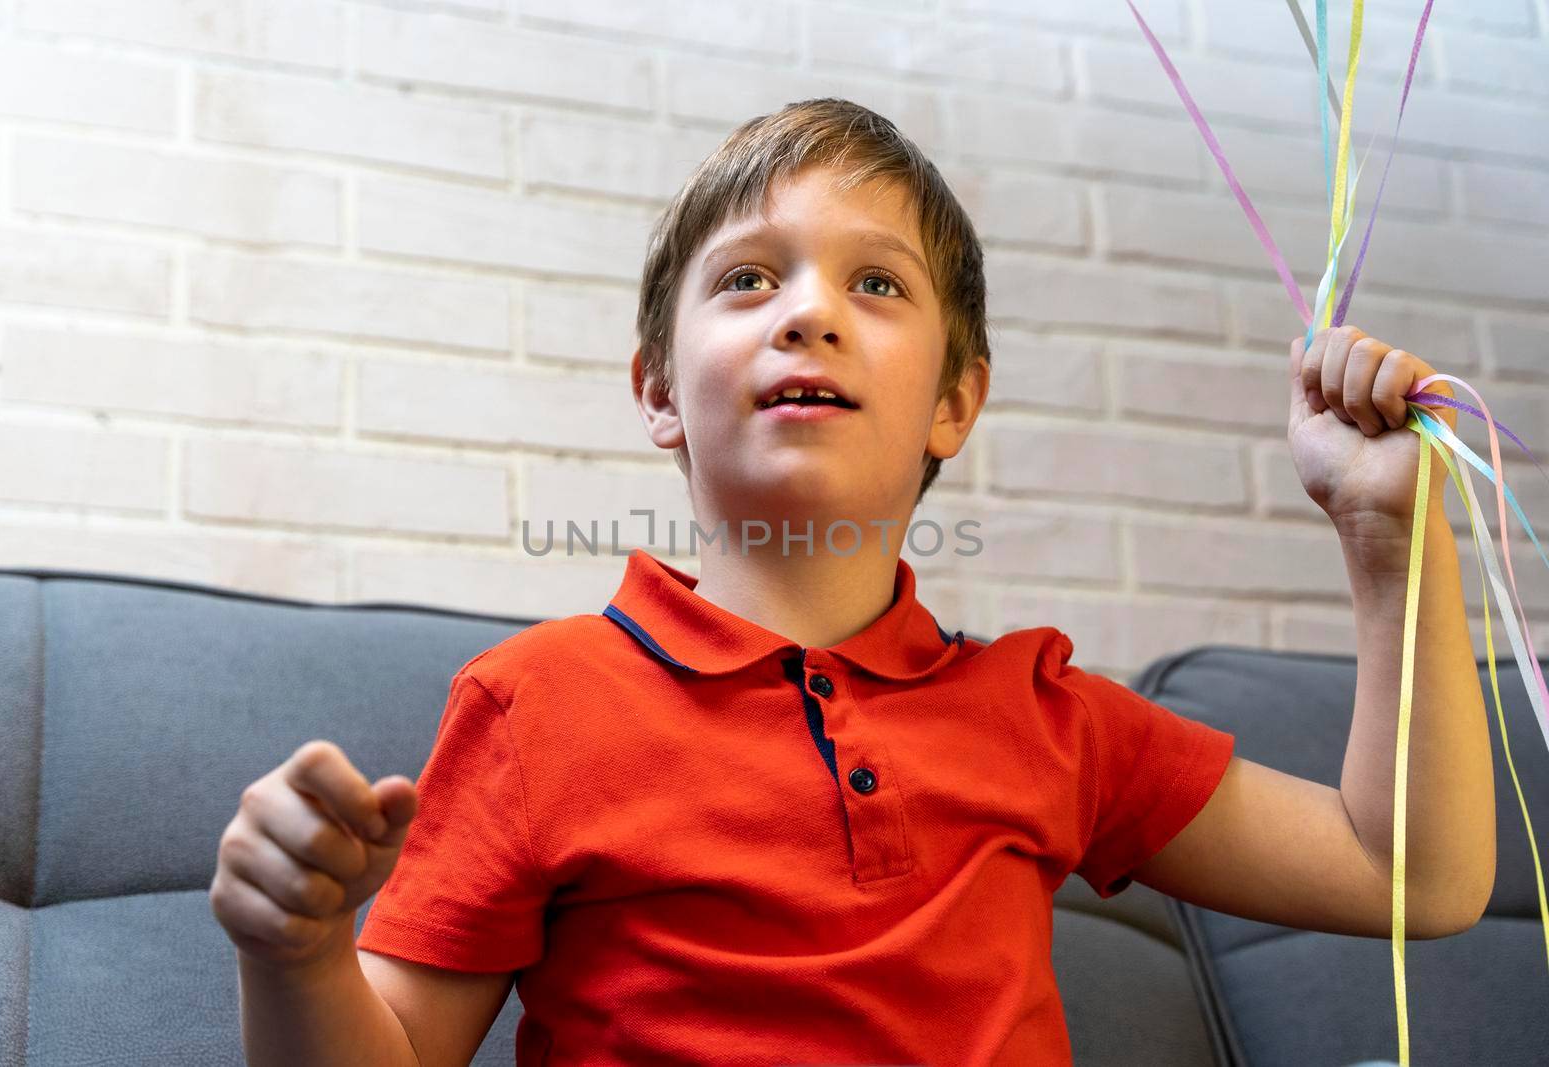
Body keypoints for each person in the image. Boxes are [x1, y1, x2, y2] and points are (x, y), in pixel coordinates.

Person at [210, 98, 1495, 1066]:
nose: (808, 312)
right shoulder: (532, 703)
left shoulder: (1048, 712)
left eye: (875, 283)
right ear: (660, 389)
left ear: (953, 401)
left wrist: (1390, 546)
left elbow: (1415, 879)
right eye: (749, 278)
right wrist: (299, 951)